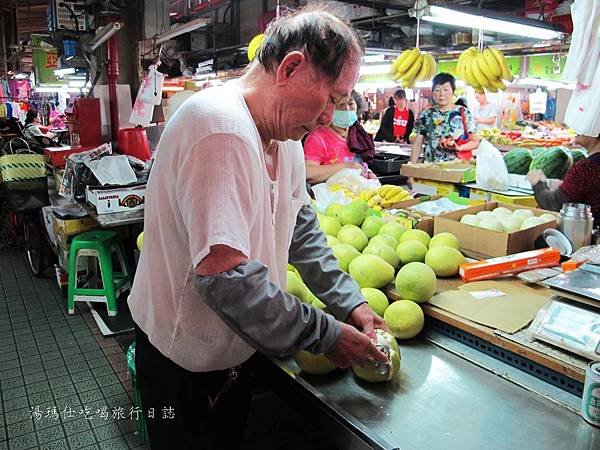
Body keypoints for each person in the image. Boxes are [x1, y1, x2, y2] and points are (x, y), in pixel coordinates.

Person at [128, 8, 388, 450]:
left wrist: (351, 305)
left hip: (230, 356)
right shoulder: (219, 130)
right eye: (331, 97)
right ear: (291, 67)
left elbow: (300, 226)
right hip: (184, 365)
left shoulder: (281, 135)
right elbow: (225, 280)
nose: (330, 117)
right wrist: (325, 335)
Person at [303, 90, 377, 184]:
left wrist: (369, 173)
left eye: (351, 104)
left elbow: (361, 164)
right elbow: (308, 173)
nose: (347, 109)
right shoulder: (317, 138)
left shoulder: (358, 135)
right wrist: (346, 166)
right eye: (340, 105)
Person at [527, 134, 600, 226]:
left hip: (587, 235)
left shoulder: (587, 167)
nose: (577, 131)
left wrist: (538, 181)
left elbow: (552, 204)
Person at [410, 73, 479, 164]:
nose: (441, 94)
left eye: (446, 90)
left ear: (453, 91)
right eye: (437, 90)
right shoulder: (427, 114)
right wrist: (411, 173)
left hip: (456, 169)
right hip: (430, 169)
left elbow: (475, 142)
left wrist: (459, 148)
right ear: (432, 92)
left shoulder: (463, 112)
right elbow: (417, 144)